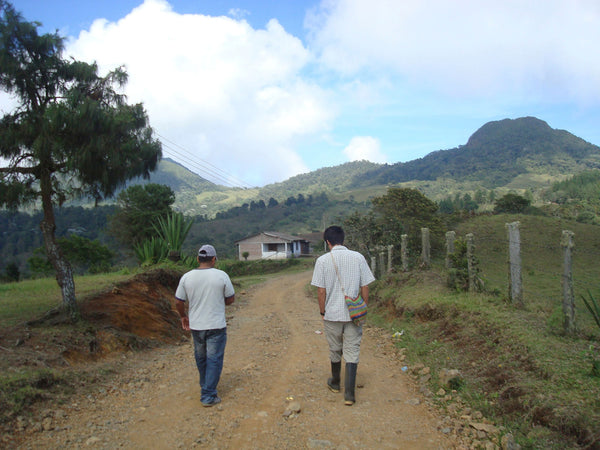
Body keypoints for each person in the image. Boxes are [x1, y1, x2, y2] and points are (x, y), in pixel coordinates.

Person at [311, 225, 376, 406]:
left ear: (327, 242)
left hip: (332, 314)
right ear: (343, 240)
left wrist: (322, 311)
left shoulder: (322, 261)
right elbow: (365, 286)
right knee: (352, 350)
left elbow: (321, 291)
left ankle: (335, 383)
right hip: (354, 314)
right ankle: (349, 394)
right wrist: (362, 308)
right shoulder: (358, 258)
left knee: (335, 348)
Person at [175, 244, 235, 407]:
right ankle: (208, 395)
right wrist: (216, 300)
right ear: (214, 259)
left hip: (196, 325)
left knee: (201, 357)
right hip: (216, 325)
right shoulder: (222, 276)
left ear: (197, 259)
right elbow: (230, 299)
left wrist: (183, 316)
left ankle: (206, 385)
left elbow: (178, 301)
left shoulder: (187, 277)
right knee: (214, 358)